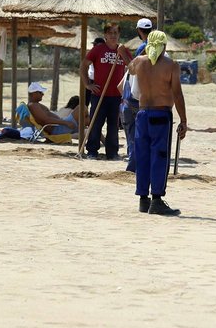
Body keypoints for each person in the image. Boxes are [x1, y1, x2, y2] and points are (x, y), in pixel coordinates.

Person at [128, 30, 187, 216]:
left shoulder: (139, 62)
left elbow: (129, 68)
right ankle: (157, 200)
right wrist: (184, 120)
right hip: (161, 114)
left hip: (142, 113)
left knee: (143, 156)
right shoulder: (171, 65)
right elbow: (177, 94)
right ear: (164, 46)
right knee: (159, 157)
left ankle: (143, 199)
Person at [80, 24, 131, 160]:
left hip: (117, 96)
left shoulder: (123, 50)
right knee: (96, 123)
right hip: (99, 94)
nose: (113, 35)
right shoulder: (98, 49)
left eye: (115, 33)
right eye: (110, 33)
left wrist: (123, 53)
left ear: (119, 35)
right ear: (105, 35)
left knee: (114, 125)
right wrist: (87, 84)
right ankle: (92, 151)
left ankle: (112, 153)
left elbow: (132, 68)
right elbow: (83, 65)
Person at [121, 17, 153, 170]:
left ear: (139, 31)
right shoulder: (160, 53)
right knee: (143, 135)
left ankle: (133, 166)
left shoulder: (144, 48)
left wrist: (122, 53)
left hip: (134, 100)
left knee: (133, 136)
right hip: (150, 100)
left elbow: (133, 68)